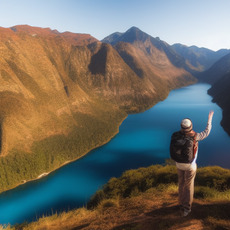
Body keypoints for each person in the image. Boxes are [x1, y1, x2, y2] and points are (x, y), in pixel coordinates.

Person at [175, 111, 214, 217]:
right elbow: (206, 132)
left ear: (181, 127)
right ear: (191, 126)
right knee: (188, 186)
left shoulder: (176, 135)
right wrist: (209, 119)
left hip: (178, 164)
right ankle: (186, 209)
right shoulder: (195, 136)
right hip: (190, 166)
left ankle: (180, 204)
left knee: (181, 184)